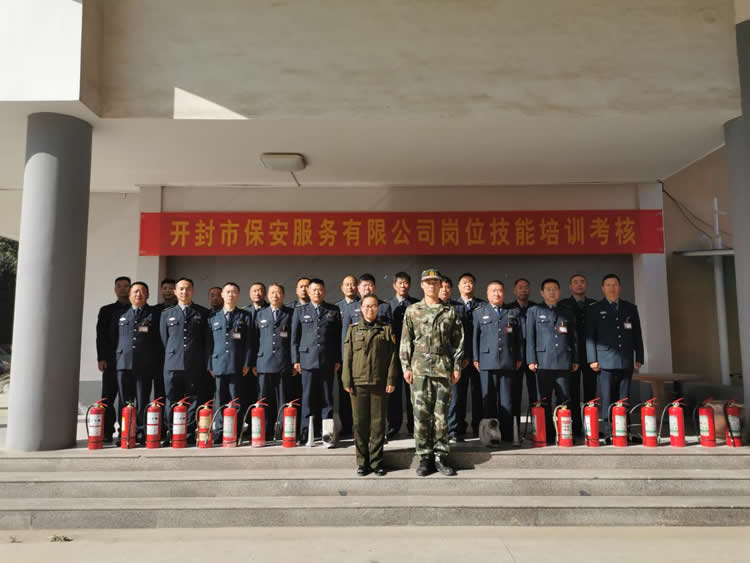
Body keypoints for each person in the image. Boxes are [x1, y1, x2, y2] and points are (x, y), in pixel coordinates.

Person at [400, 268, 464, 476]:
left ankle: (440, 456)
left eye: (435, 282)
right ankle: (424, 456)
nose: (432, 285)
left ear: (440, 285)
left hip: (442, 368)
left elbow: (458, 342)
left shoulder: (450, 312)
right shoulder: (412, 310)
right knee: (420, 415)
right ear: (422, 285)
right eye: (428, 282)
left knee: (441, 415)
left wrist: (456, 366)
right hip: (419, 368)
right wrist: (406, 367)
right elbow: (405, 340)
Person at [342, 295, 398, 476]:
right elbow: (347, 356)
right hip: (358, 383)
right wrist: (346, 380)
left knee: (378, 424)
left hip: (379, 383)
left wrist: (391, 380)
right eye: (366, 306)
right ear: (361, 308)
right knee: (359, 424)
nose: (370, 309)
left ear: (378, 308)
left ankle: (376, 462)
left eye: (373, 306)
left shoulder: (386, 329)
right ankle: (362, 462)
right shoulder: (353, 330)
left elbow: (392, 357)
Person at [585, 273, 644, 443]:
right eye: (608, 285)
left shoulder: (630, 308)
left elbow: (637, 334)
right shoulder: (595, 309)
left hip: (626, 359)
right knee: (607, 398)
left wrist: (639, 356)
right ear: (603, 288)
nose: (612, 288)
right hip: (605, 361)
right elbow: (590, 336)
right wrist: (592, 359)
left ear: (620, 287)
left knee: (624, 398)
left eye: (615, 284)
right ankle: (608, 432)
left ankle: (624, 430)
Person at [526, 278, 579, 444]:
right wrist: (531, 359)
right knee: (544, 400)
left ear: (559, 292)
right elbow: (530, 338)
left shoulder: (567, 311)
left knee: (564, 399)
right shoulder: (534, 311)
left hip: (563, 361)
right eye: (548, 289)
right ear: (542, 293)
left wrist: (575, 358)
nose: (552, 292)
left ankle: (564, 434)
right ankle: (547, 434)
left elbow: (573, 338)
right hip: (543, 362)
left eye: (555, 289)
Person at [339, 273, 392, 437]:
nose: (370, 309)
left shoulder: (384, 309)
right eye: (364, 285)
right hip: (358, 371)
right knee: (358, 416)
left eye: (370, 285)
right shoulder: (352, 308)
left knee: (378, 416)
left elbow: (390, 347)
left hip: (377, 371)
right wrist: (346, 372)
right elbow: (346, 344)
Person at [160, 277, 210, 445]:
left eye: (187, 289)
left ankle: (188, 433)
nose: (184, 292)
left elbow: (205, 340)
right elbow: (165, 340)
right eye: (181, 289)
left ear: (192, 291)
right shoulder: (166, 314)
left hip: (194, 363)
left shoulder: (202, 312)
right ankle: (171, 432)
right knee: (171, 398)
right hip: (172, 363)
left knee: (193, 398)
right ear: (175, 291)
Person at [291, 278, 342, 445]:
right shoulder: (300, 310)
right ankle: (305, 433)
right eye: (314, 290)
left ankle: (327, 435)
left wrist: (338, 359)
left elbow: (337, 338)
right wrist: (296, 360)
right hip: (307, 360)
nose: (317, 293)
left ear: (324, 291)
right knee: (307, 398)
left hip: (327, 360)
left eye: (320, 289)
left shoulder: (333, 310)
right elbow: (294, 338)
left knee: (327, 398)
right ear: (308, 291)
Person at [472, 281, 522, 444]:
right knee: (489, 400)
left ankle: (507, 434)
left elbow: (518, 338)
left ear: (504, 293)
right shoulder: (479, 312)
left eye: (499, 290)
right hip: (487, 361)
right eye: (493, 291)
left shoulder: (512, 312)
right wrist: (476, 358)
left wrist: (519, 357)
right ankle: (490, 436)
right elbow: (475, 337)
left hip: (508, 360)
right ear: (487, 294)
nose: (496, 294)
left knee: (507, 400)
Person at [114, 282, 162, 444]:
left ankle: (141, 431)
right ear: (129, 295)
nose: (138, 294)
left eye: (142, 291)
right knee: (124, 400)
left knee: (142, 399)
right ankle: (124, 432)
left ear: (147, 295)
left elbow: (159, 339)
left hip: (145, 363)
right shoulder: (121, 314)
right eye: (135, 291)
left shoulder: (155, 314)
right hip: (123, 363)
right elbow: (113, 337)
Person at [207, 283, 253, 444]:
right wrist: (209, 365)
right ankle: (220, 431)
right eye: (227, 292)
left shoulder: (245, 316)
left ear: (238, 295)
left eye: (234, 292)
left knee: (236, 399)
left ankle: (236, 430)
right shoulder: (213, 317)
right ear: (222, 295)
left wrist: (247, 362)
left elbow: (249, 342)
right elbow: (209, 344)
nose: (230, 295)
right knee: (220, 399)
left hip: (237, 363)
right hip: (218, 363)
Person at [252, 283, 294, 440]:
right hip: (264, 363)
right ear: (267, 296)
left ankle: (284, 431)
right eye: (272, 293)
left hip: (283, 362)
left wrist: (294, 362)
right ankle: (264, 431)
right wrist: (253, 362)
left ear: (283, 295)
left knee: (283, 399)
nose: (275, 296)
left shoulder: (290, 313)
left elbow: (293, 340)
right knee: (264, 399)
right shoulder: (260, 314)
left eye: (278, 293)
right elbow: (254, 341)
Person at [558, 274, 597, 436]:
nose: (579, 285)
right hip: (571, 354)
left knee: (590, 392)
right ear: (570, 286)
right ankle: (574, 427)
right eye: (575, 282)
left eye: (582, 282)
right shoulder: (563, 305)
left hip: (590, 355)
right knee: (572, 392)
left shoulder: (594, 304)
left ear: (586, 285)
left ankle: (590, 427)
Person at [448, 272, 483, 441]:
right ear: (458, 286)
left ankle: (478, 427)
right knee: (457, 395)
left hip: (478, 358)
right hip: (459, 359)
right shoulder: (452, 306)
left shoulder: (482, 305)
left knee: (479, 394)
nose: (467, 285)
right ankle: (456, 429)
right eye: (464, 282)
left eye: (470, 282)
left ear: (474, 286)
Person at [96, 275, 131, 443]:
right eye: (120, 286)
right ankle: (106, 431)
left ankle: (124, 430)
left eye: (126, 286)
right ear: (115, 289)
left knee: (126, 398)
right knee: (107, 397)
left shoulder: (135, 309)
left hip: (129, 361)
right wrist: (101, 357)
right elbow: (101, 335)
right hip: (110, 360)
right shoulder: (106, 310)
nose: (123, 288)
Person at [386, 271, 418, 439]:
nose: (403, 286)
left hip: (413, 354)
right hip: (393, 354)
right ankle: (394, 425)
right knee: (394, 391)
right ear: (394, 285)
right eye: (400, 283)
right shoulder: (387, 305)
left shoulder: (416, 304)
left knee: (413, 391)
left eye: (406, 283)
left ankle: (413, 425)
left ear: (409, 285)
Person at [507, 278, 537, 425]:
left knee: (535, 394)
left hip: (533, 357)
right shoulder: (508, 309)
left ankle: (537, 428)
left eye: (526, 287)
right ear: (514, 291)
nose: (523, 290)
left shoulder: (536, 308)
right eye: (520, 287)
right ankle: (515, 429)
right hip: (514, 357)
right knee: (514, 393)